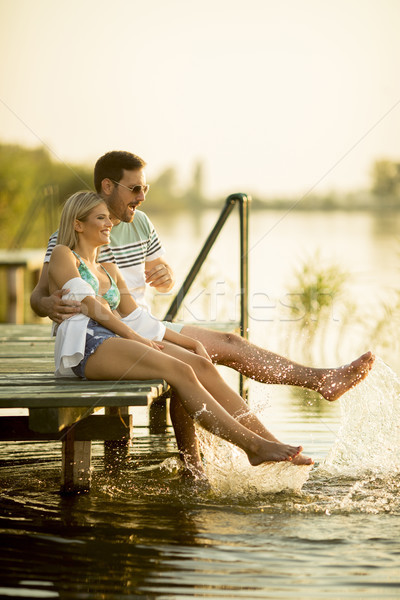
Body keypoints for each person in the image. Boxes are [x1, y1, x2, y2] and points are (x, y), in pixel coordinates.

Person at [30, 150, 375, 408]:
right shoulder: (71, 236)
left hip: (144, 322)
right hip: (105, 337)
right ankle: (200, 466)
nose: (142, 196)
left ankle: (319, 381)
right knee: (194, 361)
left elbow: (161, 282)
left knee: (229, 342)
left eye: (145, 188)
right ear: (108, 185)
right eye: (135, 188)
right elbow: (39, 298)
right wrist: (50, 304)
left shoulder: (142, 223)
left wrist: (166, 277)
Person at [49, 190, 312, 479]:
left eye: (109, 218)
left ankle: (269, 442)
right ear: (78, 224)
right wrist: (137, 340)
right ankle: (253, 447)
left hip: (116, 340)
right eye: (101, 218)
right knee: (178, 369)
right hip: (86, 346)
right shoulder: (64, 255)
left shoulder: (109, 269)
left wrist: (190, 342)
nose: (109, 223)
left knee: (197, 363)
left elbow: (138, 318)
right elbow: (91, 305)